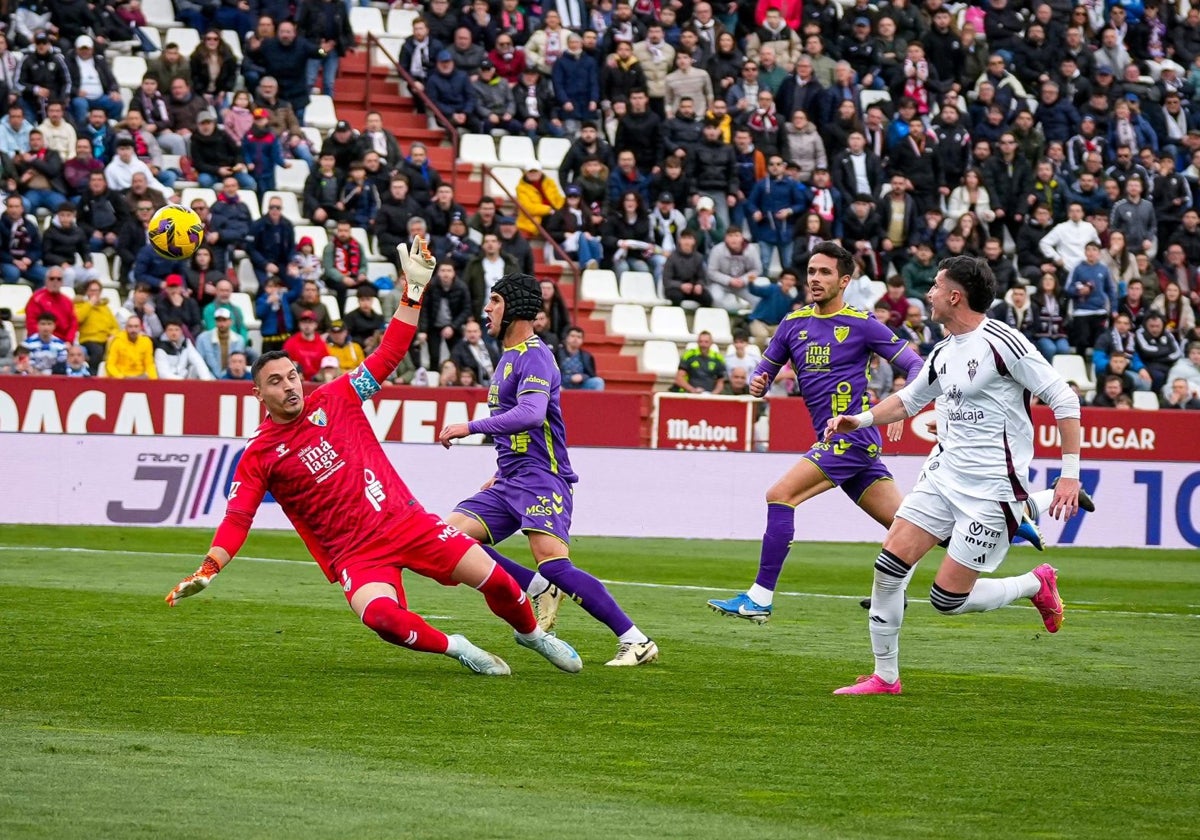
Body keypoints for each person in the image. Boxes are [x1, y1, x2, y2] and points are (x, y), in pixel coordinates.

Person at [166, 242, 582, 677]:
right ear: (259, 394)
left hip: (406, 522)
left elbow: (388, 354)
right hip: (355, 554)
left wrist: (413, 291)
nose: (290, 387)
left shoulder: (336, 397)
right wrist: (210, 568)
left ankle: (533, 635)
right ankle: (459, 648)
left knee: (496, 579)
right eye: (276, 381)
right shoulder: (259, 454)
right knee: (381, 618)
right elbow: (238, 518)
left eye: (292, 376)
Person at [825, 255, 1084, 695]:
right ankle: (885, 677)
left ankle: (1034, 583)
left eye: (935, 286)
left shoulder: (1005, 343)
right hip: (942, 478)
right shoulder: (944, 350)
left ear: (954, 295)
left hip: (991, 491)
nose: (927, 294)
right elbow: (909, 400)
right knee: (889, 567)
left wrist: (1070, 474)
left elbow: (1065, 400)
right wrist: (861, 419)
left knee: (948, 601)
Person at [437, 273, 658, 666]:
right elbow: (514, 425)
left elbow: (531, 414)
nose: (486, 309)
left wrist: (469, 427)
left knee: (556, 564)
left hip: (541, 479)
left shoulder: (536, 356)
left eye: (495, 301)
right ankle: (537, 587)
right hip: (509, 479)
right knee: (449, 539)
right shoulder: (507, 357)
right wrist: (501, 467)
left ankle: (635, 640)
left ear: (516, 308)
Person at [706, 243, 926, 622]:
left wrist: (902, 405)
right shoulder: (793, 324)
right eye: (811, 271)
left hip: (851, 438)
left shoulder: (863, 323)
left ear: (844, 280)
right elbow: (764, 370)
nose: (815, 279)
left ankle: (759, 598)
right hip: (841, 443)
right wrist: (757, 383)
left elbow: (917, 365)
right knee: (908, 523)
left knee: (780, 494)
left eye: (824, 272)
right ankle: (1005, 523)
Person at [105, 313, 157, 379]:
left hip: (140, 378)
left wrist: (154, 380)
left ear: (140, 328)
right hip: (121, 378)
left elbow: (149, 364)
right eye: (130, 326)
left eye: (136, 326)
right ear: (126, 328)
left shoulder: (146, 341)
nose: (133, 330)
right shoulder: (117, 341)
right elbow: (110, 365)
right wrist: (120, 377)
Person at [558, 326, 604, 390]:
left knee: (598, 382)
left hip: (581, 386)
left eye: (579, 337)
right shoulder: (557, 354)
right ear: (567, 338)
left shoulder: (587, 356)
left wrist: (582, 377)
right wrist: (568, 379)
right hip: (562, 385)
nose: (575, 339)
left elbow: (591, 375)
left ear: (582, 341)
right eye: (572, 336)